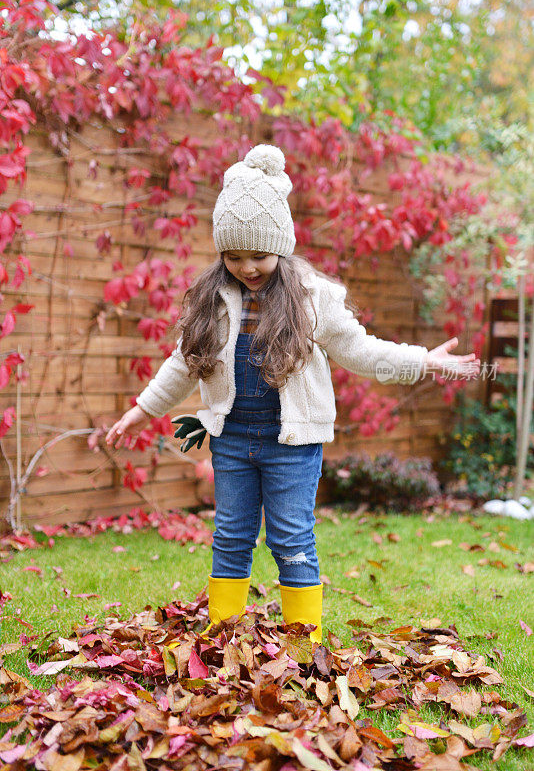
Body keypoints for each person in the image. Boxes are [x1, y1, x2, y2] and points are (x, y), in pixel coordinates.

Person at [105, 144, 480, 643]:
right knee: (232, 535)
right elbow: (183, 363)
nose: (247, 267)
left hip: (293, 446)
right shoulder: (211, 301)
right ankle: (223, 637)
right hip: (233, 441)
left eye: (258, 255)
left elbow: (358, 349)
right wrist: (141, 410)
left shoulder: (311, 297)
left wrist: (422, 360)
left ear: (280, 245)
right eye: (233, 256)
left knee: (290, 537)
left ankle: (305, 645)